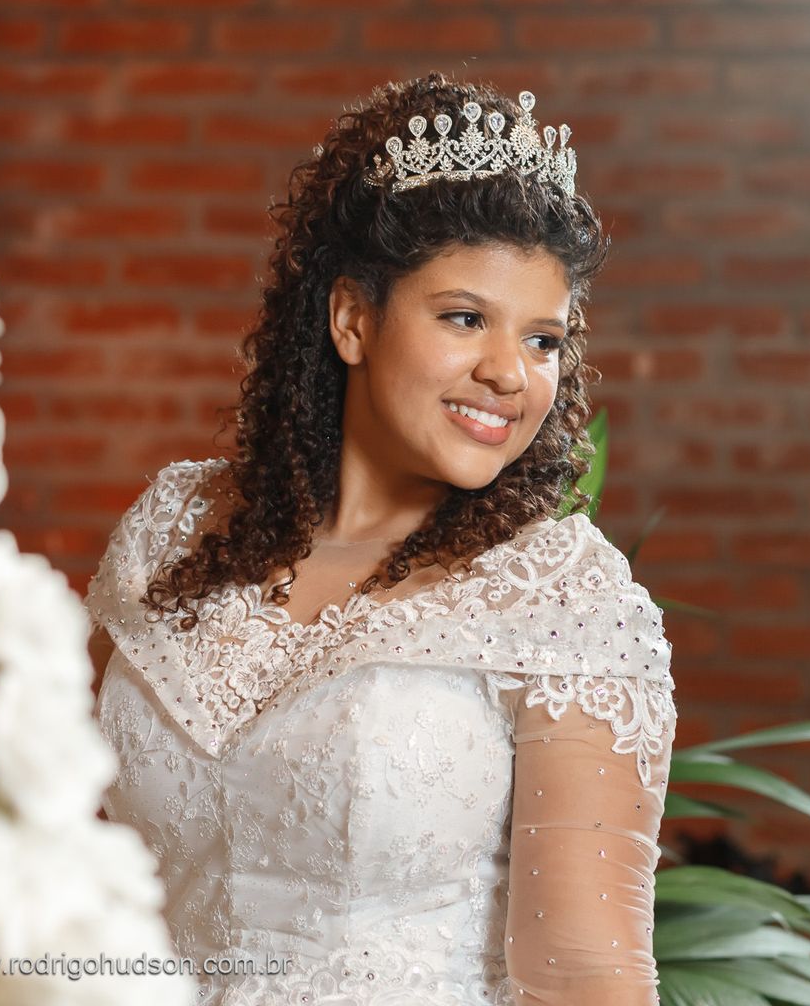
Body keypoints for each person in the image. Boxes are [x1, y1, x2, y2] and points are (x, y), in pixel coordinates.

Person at [88, 77, 676, 1005]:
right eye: (465, 318)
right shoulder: (177, 532)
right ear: (353, 319)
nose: (510, 374)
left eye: (543, 341)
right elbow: (70, 861)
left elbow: (588, 981)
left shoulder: (566, 602)